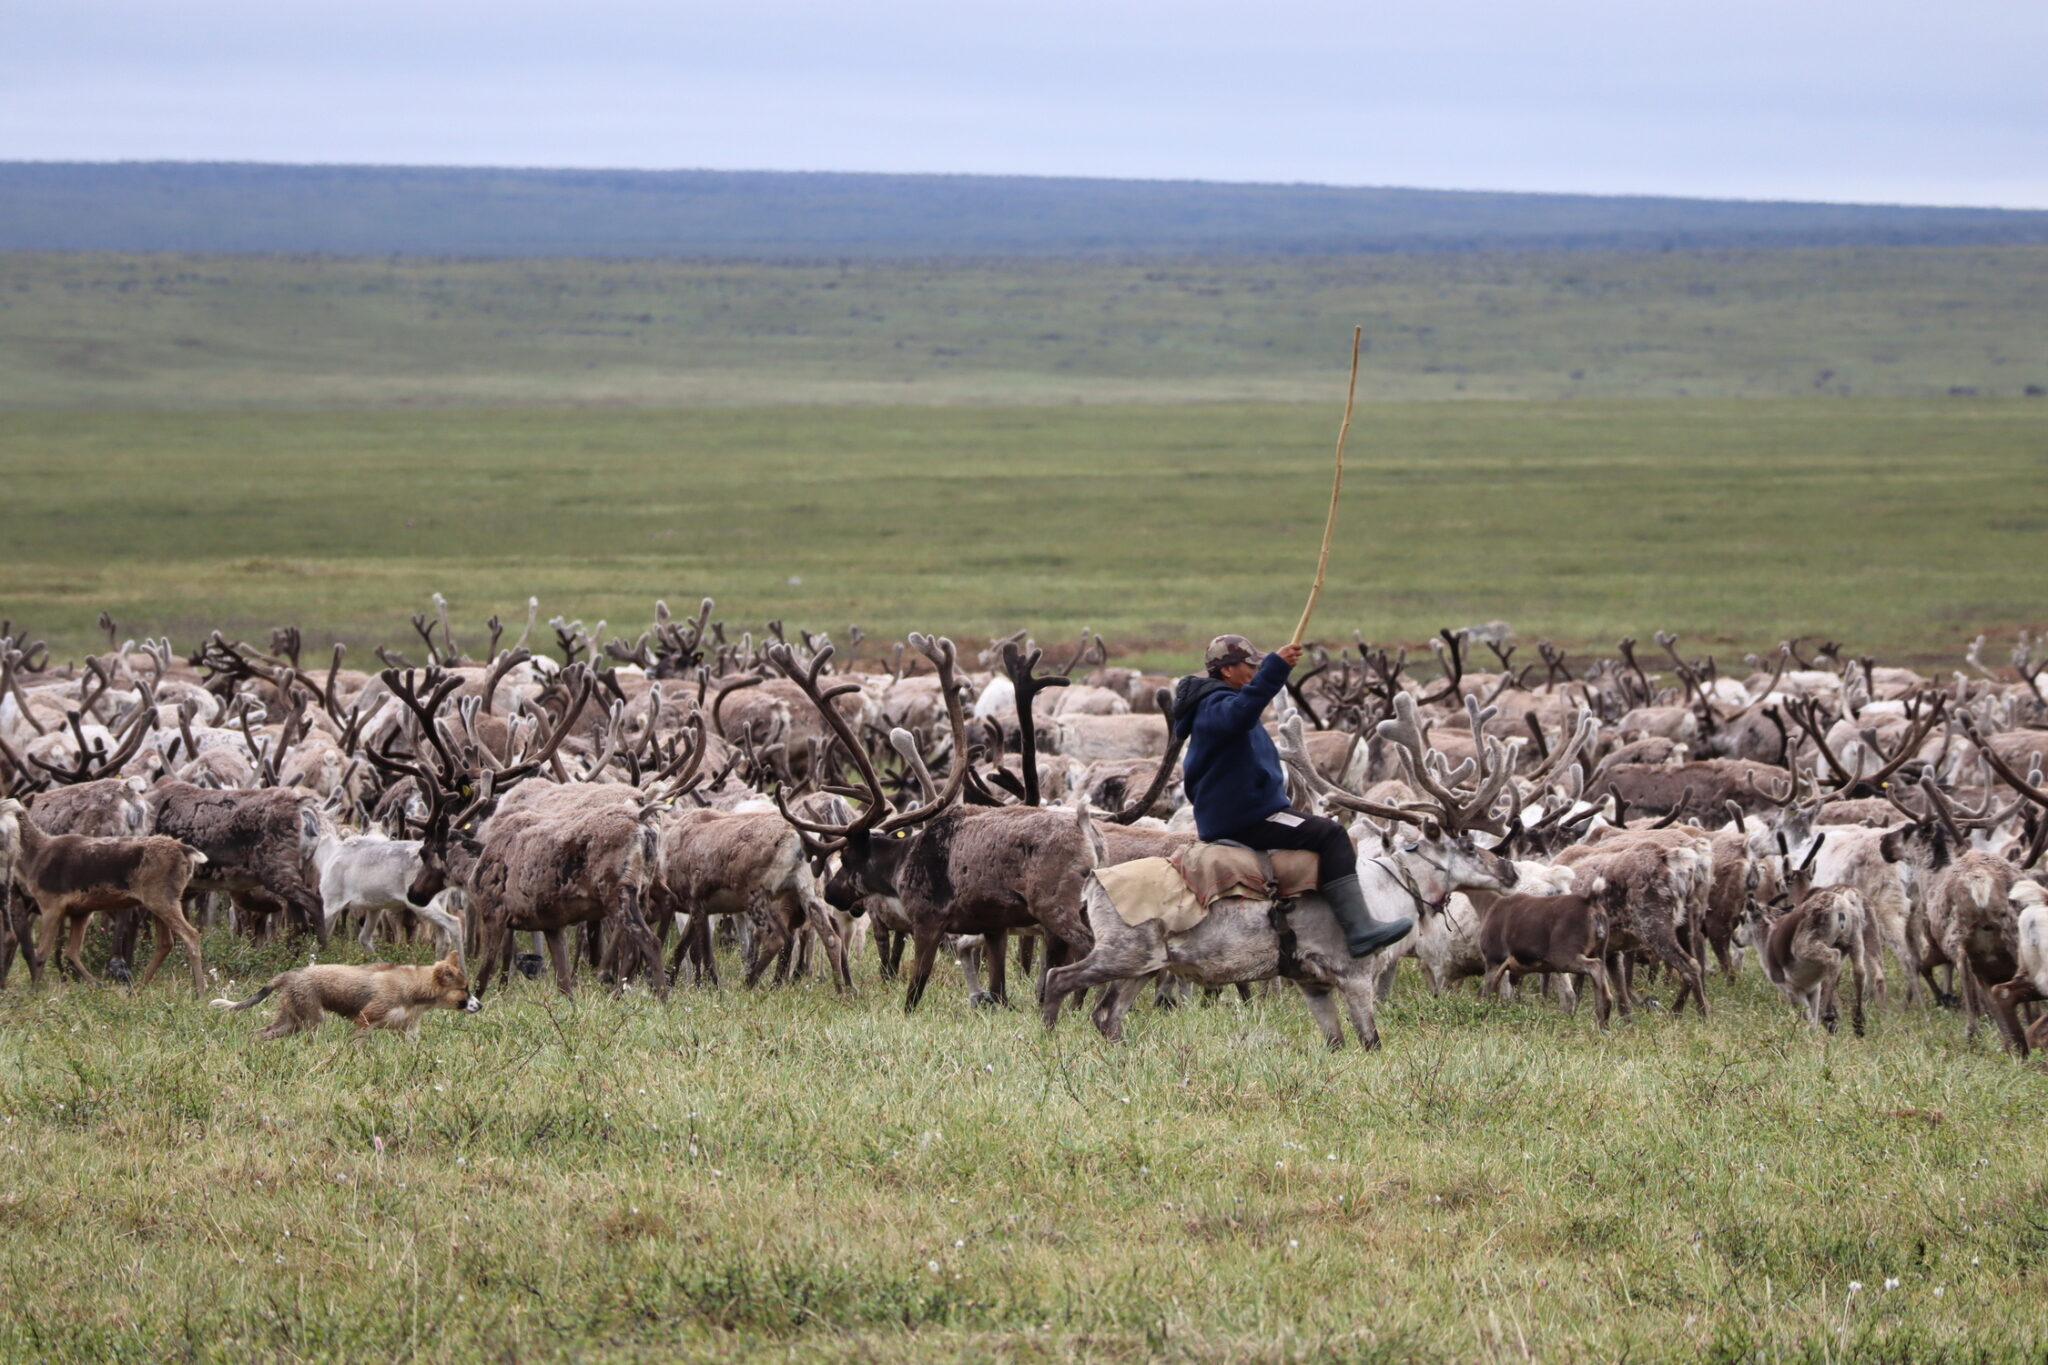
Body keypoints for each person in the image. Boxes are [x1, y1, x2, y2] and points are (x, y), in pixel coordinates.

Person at [1171, 634, 1413, 957]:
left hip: (1247, 811)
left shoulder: (1217, 704)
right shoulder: (1216, 706)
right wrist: (1275, 668)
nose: (1254, 670)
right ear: (1227, 670)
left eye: (1258, 665)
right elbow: (1242, 712)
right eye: (1249, 664)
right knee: (1332, 834)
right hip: (1244, 818)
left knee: (1321, 828)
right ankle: (1359, 930)